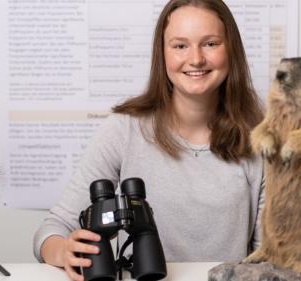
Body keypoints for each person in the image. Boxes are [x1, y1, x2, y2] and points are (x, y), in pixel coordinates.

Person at [33, 1, 265, 280]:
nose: (196, 59)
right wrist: (63, 250)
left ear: (231, 51)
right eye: (180, 45)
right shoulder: (124, 130)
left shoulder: (263, 141)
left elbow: (268, 255)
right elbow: (53, 228)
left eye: (210, 43)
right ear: (162, 54)